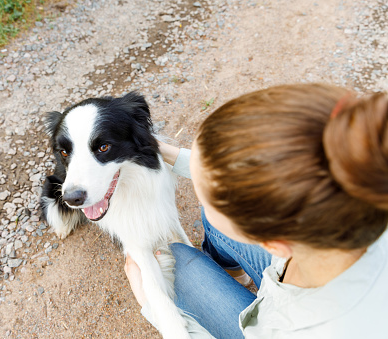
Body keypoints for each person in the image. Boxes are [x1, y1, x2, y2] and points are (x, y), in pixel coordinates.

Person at [124, 83, 388, 338]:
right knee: (215, 223)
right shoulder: (370, 180)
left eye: (207, 197)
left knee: (176, 266)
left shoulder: (294, 331)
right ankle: (236, 273)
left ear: (274, 244)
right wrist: (161, 150)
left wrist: (152, 305)